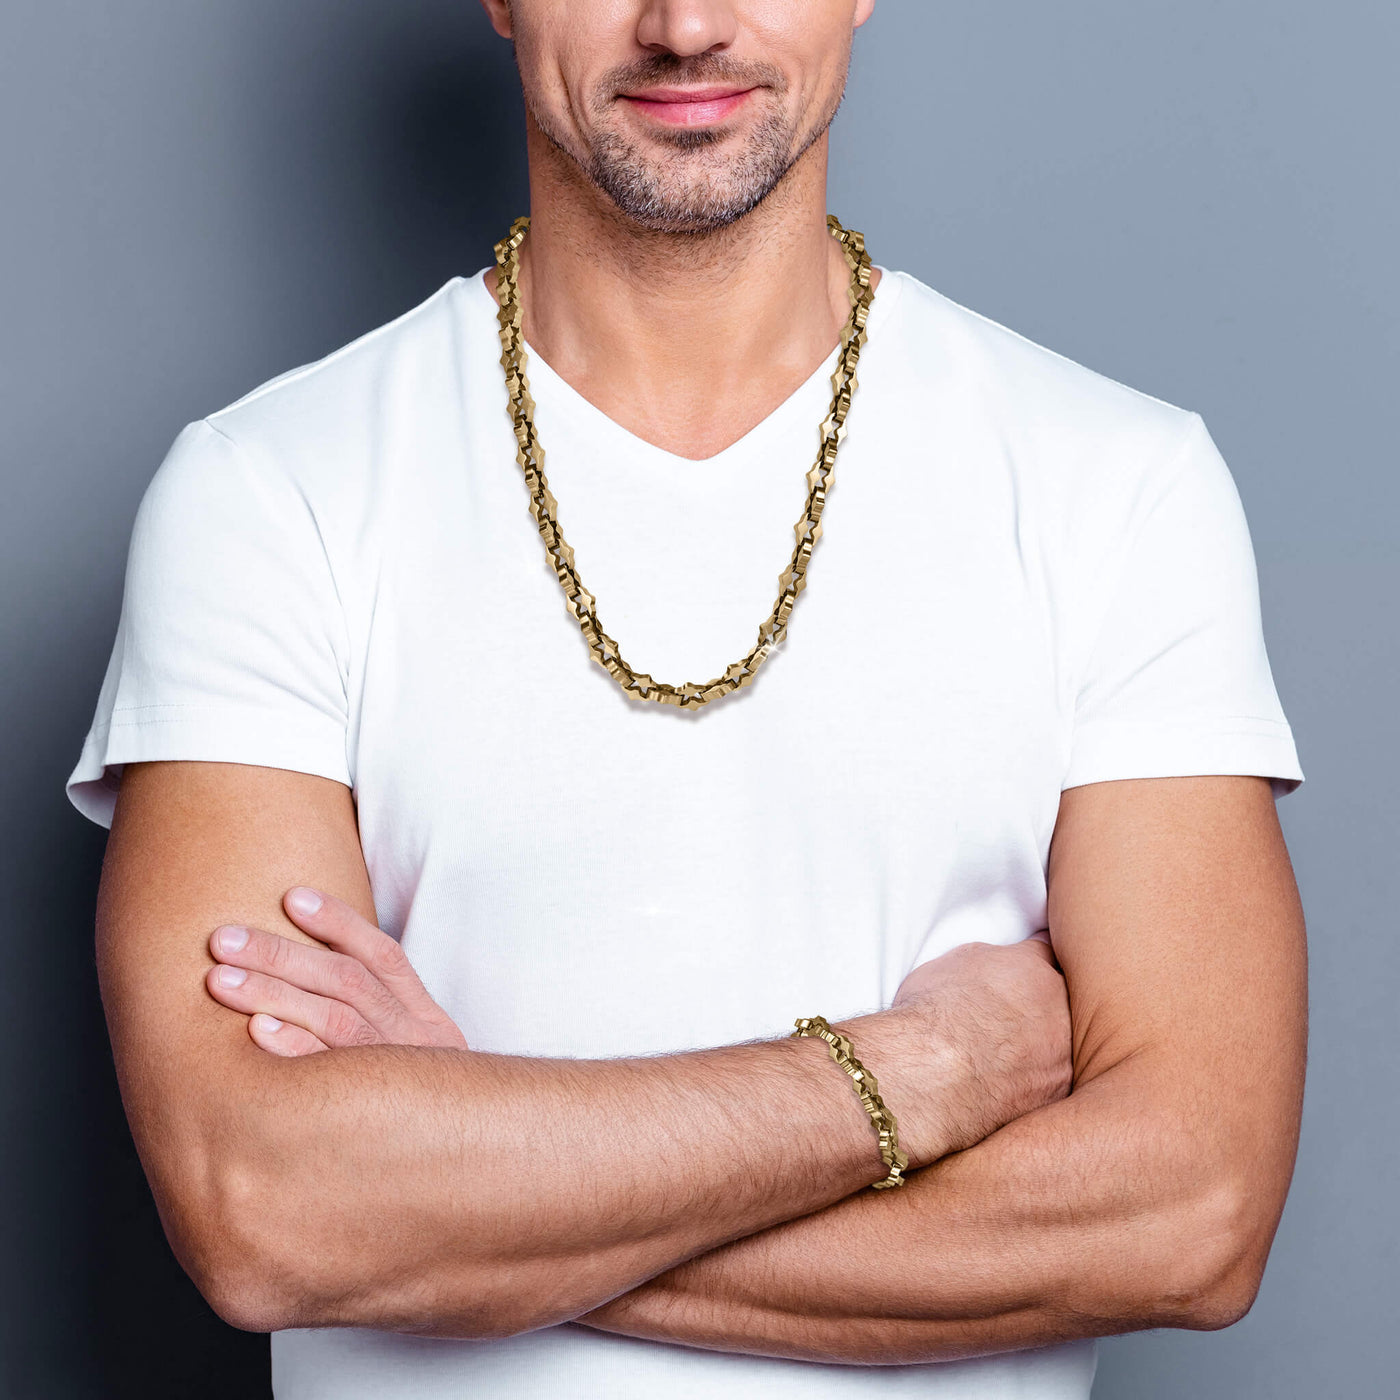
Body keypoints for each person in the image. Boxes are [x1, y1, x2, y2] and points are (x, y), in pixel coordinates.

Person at [64, 2, 1308, 1397]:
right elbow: (268, 1210)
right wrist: (929, 1069)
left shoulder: (1120, 490)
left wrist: (475, 1202)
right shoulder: (268, 494)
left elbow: (1191, 1216)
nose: (686, 25)